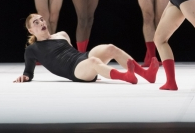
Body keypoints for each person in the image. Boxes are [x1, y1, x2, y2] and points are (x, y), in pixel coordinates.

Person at [14, 14, 159, 84]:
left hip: (81, 60)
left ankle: (146, 74)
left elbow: (74, 53)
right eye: (36, 22)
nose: (41, 22)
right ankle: (126, 76)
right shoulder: (32, 49)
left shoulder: (62, 34)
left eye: (41, 19)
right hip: (74, 71)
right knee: (94, 61)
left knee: (110, 48)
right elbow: (28, 72)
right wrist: (25, 77)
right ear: (31, 31)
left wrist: (95, 70)